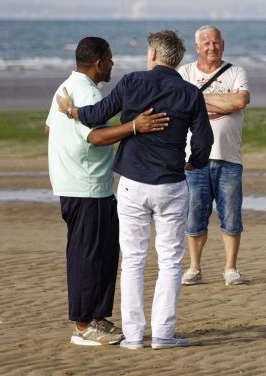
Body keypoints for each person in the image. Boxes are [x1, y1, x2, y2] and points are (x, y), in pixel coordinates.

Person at [56, 30, 213, 350]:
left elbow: (97, 115)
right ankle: (164, 335)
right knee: (170, 261)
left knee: (134, 260)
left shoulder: (131, 82)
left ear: (153, 55)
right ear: (177, 59)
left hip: (132, 183)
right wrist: (194, 163)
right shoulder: (189, 93)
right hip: (171, 184)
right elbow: (203, 143)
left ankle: (132, 335)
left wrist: (72, 111)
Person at [46, 36, 169, 346]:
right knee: (87, 256)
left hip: (80, 183)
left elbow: (50, 128)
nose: (113, 64)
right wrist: (134, 127)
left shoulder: (67, 87)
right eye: (111, 59)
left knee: (102, 254)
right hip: (86, 186)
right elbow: (97, 137)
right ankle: (83, 325)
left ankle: (97, 318)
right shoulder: (86, 92)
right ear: (99, 63)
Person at [179, 25, 251, 286]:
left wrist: (197, 99)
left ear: (223, 44)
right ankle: (195, 268)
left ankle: (230, 268)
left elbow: (240, 101)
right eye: (206, 43)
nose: (212, 47)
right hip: (194, 159)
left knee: (231, 216)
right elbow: (180, 104)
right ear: (197, 47)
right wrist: (222, 100)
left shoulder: (236, 71)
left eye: (216, 42)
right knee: (194, 216)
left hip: (230, 157)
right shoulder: (185, 72)